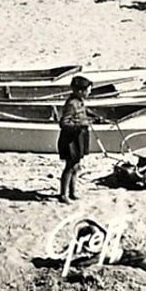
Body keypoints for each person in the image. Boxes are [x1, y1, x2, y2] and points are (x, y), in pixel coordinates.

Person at [58, 76, 93, 204]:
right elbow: (63, 123)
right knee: (70, 166)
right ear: (80, 91)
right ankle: (63, 195)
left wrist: (92, 116)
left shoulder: (79, 101)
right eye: (88, 90)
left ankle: (72, 192)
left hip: (79, 138)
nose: (89, 92)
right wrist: (80, 125)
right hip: (70, 140)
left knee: (76, 166)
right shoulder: (72, 104)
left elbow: (83, 113)